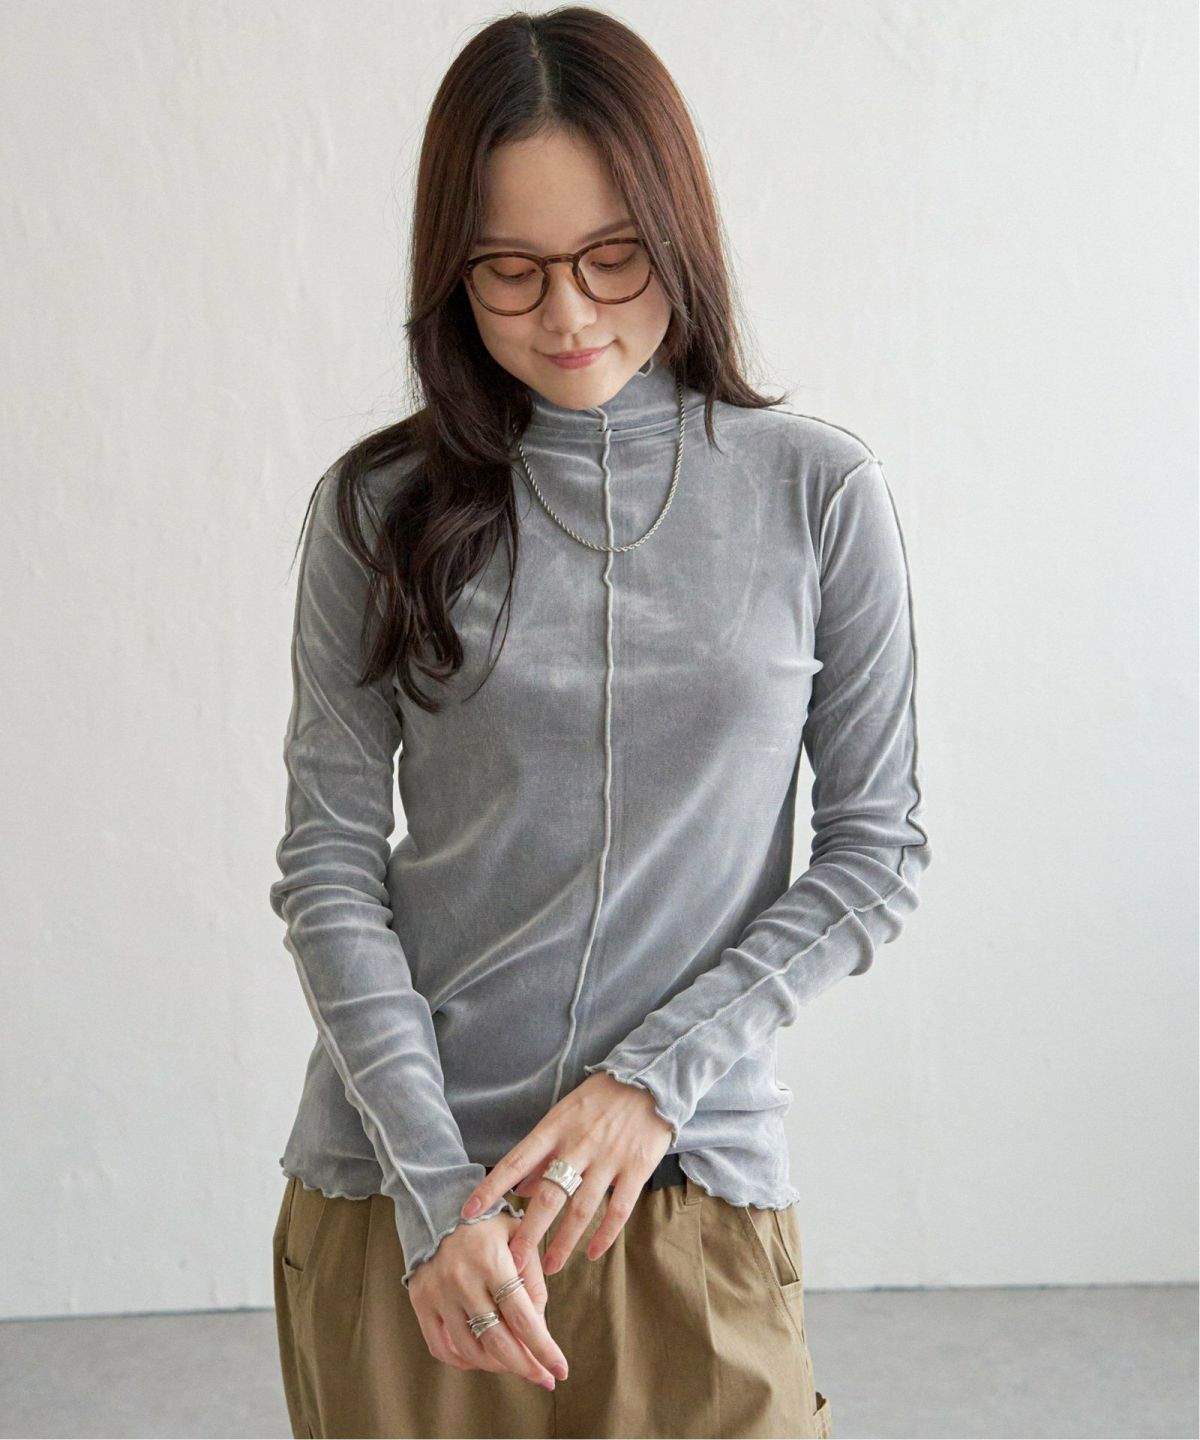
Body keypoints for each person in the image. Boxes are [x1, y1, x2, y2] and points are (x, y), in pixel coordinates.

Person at [268, 8, 931, 1438]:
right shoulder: (378, 512)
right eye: (509, 271)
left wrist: (650, 1084)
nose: (567, 316)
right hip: (412, 1209)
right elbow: (328, 867)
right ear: (450, 272)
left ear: (679, 234)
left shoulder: (818, 495)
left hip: (683, 1189)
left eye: (612, 257)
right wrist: (437, 1197)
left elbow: (874, 854)